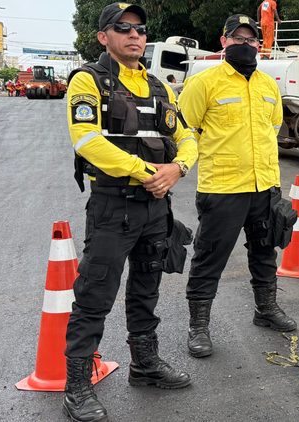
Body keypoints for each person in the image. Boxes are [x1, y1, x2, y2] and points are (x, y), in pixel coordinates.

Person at [64, 4, 196, 420]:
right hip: (112, 207)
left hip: (156, 207)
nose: (134, 35)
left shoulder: (160, 87)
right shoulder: (89, 80)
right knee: (94, 296)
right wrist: (145, 172)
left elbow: (188, 135)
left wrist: (177, 168)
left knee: (147, 289)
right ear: (104, 36)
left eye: (139, 29)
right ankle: (78, 387)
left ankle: (145, 365)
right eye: (123, 28)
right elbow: (85, 139)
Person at [179, 14, 294, 358]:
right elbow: (185, 131)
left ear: (259, 44)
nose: (246, 44)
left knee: (264, 252)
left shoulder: (268, 85)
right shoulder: (204, 82)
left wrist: (270, 180)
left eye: (252, 39)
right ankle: (198, 327)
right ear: (224, 40)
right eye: (238, 38)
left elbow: (272, 130)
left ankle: (266, 310)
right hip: (223, 188)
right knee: (209, 257)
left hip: (264, 187)